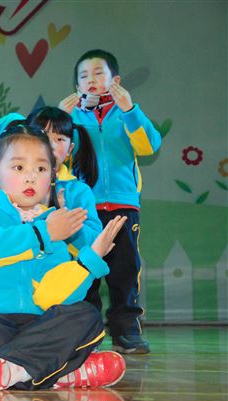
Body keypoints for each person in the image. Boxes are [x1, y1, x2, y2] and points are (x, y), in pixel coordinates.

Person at [0, 125, 127, 391]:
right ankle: (58, 372)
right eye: (18, 168)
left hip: (37, 329)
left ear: (51, 177)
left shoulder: (54, 223)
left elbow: (54, 297)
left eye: (41, 169)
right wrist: (41, 234)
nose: (30, 178)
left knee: (87, 316)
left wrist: (90, 261)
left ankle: (9, 372)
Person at [59, 49, 162, 354]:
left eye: (98, 73)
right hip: (83, 207)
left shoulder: (126, 112)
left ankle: (126, 330)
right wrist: (61, 121)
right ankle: (85, 331)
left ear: (115, 80)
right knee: (84, 269)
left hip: (122, 204)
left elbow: (148, 147)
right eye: (83, 76)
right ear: (76, 85)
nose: (91, 80)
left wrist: (129, 110)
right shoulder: (72, 117)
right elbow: (54, 155)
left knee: (125, 270)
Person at [0, 106, 102, 253]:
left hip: (58, 271)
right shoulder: (1, 185)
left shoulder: (78, 191)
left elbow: (95, 244)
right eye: (42, 135)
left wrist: (62, 217)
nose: (50, 145)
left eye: (59, 139)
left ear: (69, 149)